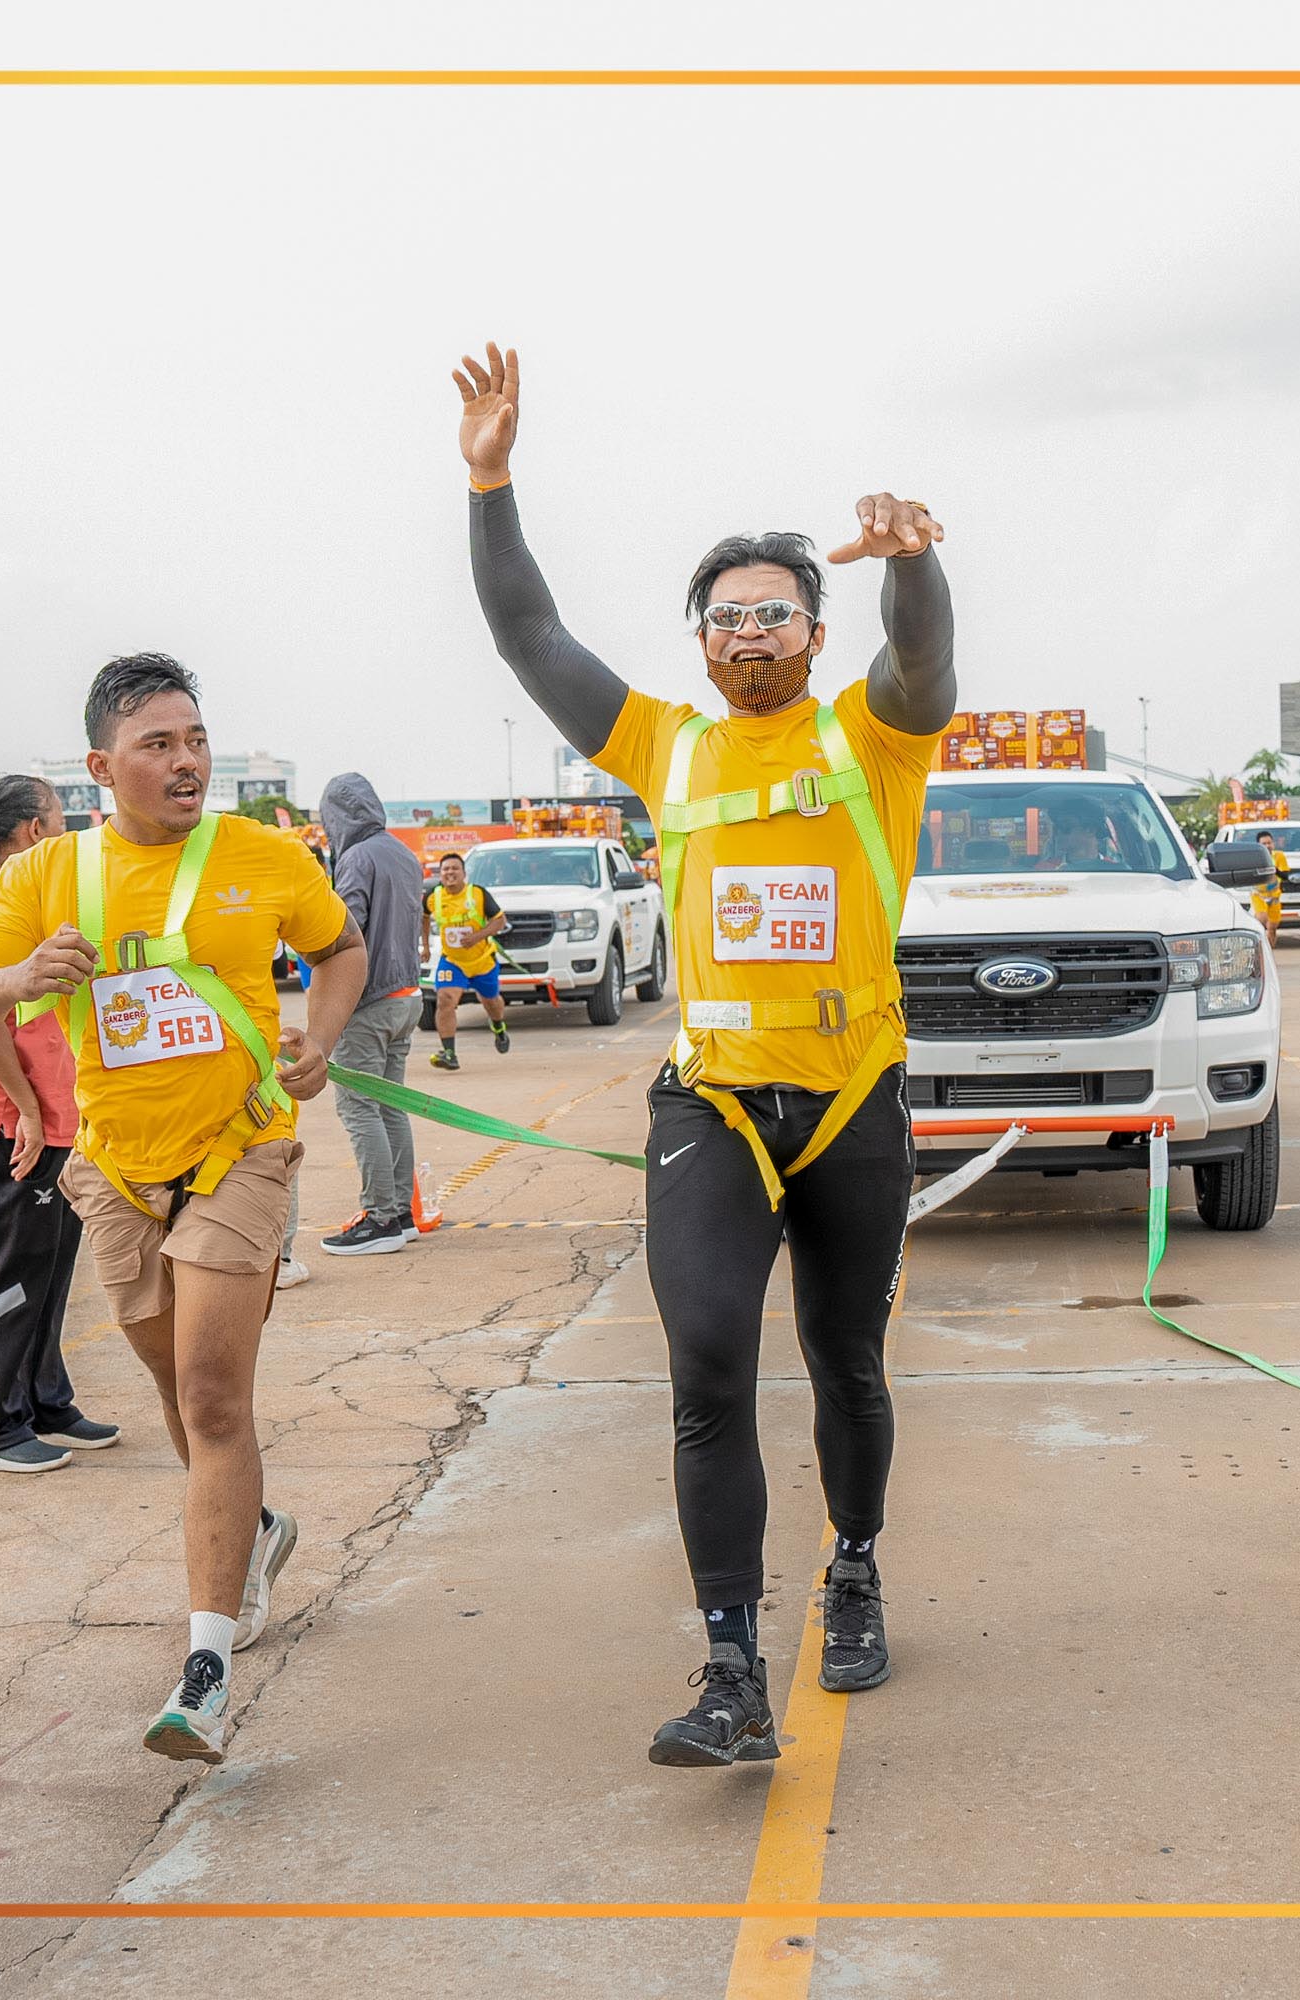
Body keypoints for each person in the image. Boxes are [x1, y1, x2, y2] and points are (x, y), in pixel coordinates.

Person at [457, 341, 953, 1764]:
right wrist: (490, 484)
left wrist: (913, 564)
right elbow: (530, 634)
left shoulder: (875, 735)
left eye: (775, 612)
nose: (749, 633)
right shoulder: (663, 746)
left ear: (815, 632)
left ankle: (853, 1564)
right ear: (699, 642)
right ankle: (732, 1665)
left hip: (853, 1096)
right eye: (725, 615)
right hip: (717, 1103)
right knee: (709, 1362)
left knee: (846, 1360)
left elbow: (924, 656)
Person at [0, 653, 364, 1765]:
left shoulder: (264, 855)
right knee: (181, 1396)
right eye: (158, 745)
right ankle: (253, 1530)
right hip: (117, 1173)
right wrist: (24, 974)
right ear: (101, 766)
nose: (187, 763)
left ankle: (205, 1672)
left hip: (241, 1152)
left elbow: (341, 948)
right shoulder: (51, 874)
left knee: (215, 1398)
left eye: (196, 740)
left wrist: (320, 1039)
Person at [0, 775, 112, 1475]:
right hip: (8, 1123)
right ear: (36, 831)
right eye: (61, 819)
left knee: (49, 1271)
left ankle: (43, 1400)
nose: (69, 832)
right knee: (9, 1275)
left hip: (52, 1119)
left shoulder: (20, 893)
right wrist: (30, 1110)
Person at [317, 774, 427, 1256]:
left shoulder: (357, 858)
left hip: (368, 1001)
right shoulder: (402, 852)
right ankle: (401, 1214)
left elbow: (346, 928)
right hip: (406, 995)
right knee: (389, 1105)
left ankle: (379, 1217)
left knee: (359, 1107)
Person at [425, 849, 511, 1071]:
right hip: (452, 961)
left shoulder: (478, 894)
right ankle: (449, 1053)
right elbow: (422, 916)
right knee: (445, 999)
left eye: (455, 868)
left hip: (482, 960)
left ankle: (498, 1027)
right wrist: (425, 947)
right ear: (440, 874)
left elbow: (500, 921)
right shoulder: (433, 897)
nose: (450, 872)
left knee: (491, 1002)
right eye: (446, 869)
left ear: (464, 873)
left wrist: (477, 937)